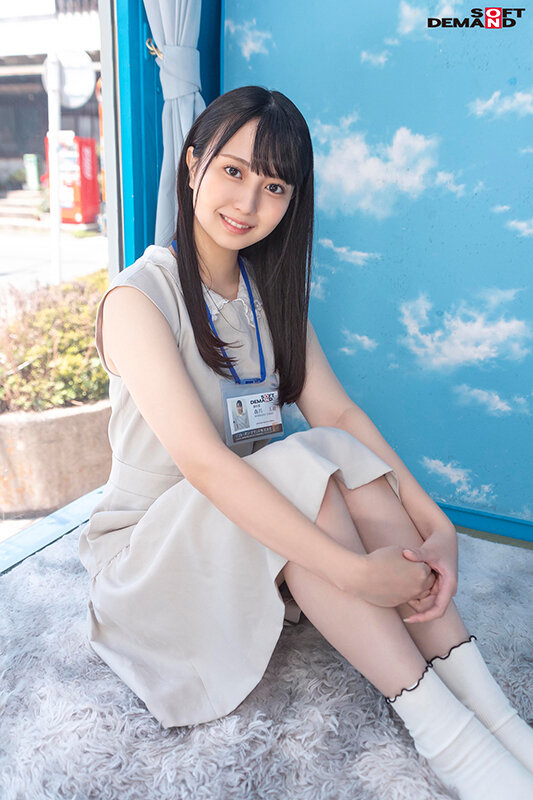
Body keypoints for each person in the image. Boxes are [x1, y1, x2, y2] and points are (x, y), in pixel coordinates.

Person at [78, 86, 533, 799]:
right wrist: (353, 573)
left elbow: (340, 415)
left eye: (274, 186)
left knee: (327, 450)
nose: (248, 202)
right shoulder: (139, 299)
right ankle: (448, 737)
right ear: (192, 164)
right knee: (296, 465)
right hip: (150, 553)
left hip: (243, 528)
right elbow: (204, 465)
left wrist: (435, 523)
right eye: (233, 171)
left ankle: (495, 715)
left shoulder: (265, 294)